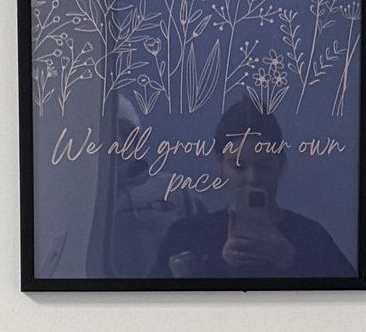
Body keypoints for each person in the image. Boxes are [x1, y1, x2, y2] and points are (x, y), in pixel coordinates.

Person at [151, 99, 353, 281]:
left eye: (264, 166)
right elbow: (154, 310)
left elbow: (353, 305)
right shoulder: (185, 237)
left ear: (280, 164)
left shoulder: (312, 237)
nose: (252, 179)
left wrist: (290, 258)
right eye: (238, 167)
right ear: (221, 165)